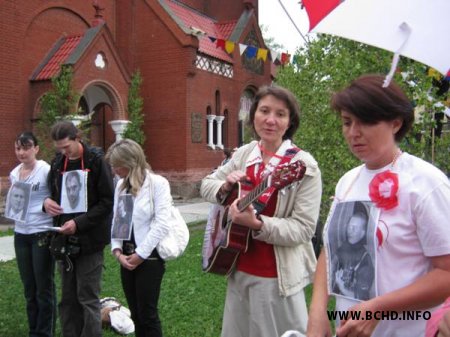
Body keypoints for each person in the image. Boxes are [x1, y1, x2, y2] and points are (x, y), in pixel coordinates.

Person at [307, 74, 450, 337]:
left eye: (365, 121)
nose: (353, 133)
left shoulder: (426, 184)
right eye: (347, 122)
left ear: (396, 122)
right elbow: (331, 250)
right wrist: (317, 312)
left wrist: (378, 308)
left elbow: (446, 273)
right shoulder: (347, 182)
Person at [200, 85, 322, 337]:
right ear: (253, 114)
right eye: (264, 111)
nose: (270, 120)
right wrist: (225, 186)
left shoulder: (302, 166)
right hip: (236, 266)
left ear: (289, 122)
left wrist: (258, 225)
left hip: (276, 279)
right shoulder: (244, 153)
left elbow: (304, 229)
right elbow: (206, 185)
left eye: (280, 114)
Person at [43, 121, 114, 337]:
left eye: (67, 147)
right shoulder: (57, 164)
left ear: (77, 138)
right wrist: (46, 203)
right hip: (64, 242)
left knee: (88, 298)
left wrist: (79, 224)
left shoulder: (96, 161)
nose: (64, 152)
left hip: (90, 240)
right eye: (60, 149)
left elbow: (107, 201)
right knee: (67, 299)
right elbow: (50, 195)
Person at [106, 138, 172, 337]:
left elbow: (162, 223)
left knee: (147, 314)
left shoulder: (157, 184)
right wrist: (117, 252)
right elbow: (118, 219)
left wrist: (141, 254)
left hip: (149, 259)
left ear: (130, 162)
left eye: (117, 165)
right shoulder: (120, 186)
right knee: (135, 314)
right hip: (126, 258)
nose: (115, 170)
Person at [9, 132, 56, 337]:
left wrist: (46, 204)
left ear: (36, 149)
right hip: (21, 233)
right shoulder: (14, 173)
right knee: (29, 287)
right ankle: (33, 330)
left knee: (43, 287)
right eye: (18, 148)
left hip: (41, 233)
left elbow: (56, 195)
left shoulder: (45, 170)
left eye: (26, 147)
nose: (22, 152)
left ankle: (45, 332)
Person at [331, 205, 375, 301]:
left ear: (363, 233)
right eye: (349, 226)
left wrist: (342, 287)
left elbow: (362, 297)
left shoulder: (365, 259)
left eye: (354, 227)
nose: (350, 230)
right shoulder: (341, 249)